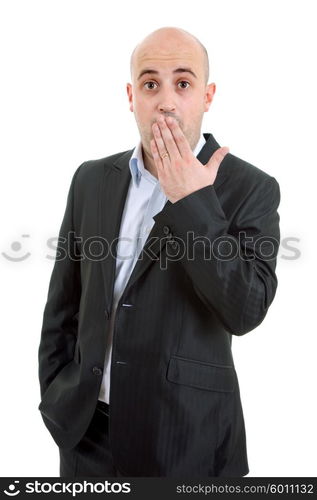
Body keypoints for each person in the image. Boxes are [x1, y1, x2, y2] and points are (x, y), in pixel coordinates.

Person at [38, 26, 281, 477]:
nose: (166, 100)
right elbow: (63, 305)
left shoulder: (251, 188)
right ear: (132, 96)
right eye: (151, 84)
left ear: (207, 96)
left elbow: (246, 310)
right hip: (85, 437)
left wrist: (193, 204)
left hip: (187, 442)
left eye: (183, 83)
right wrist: (57, 396)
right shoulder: (91, 179)